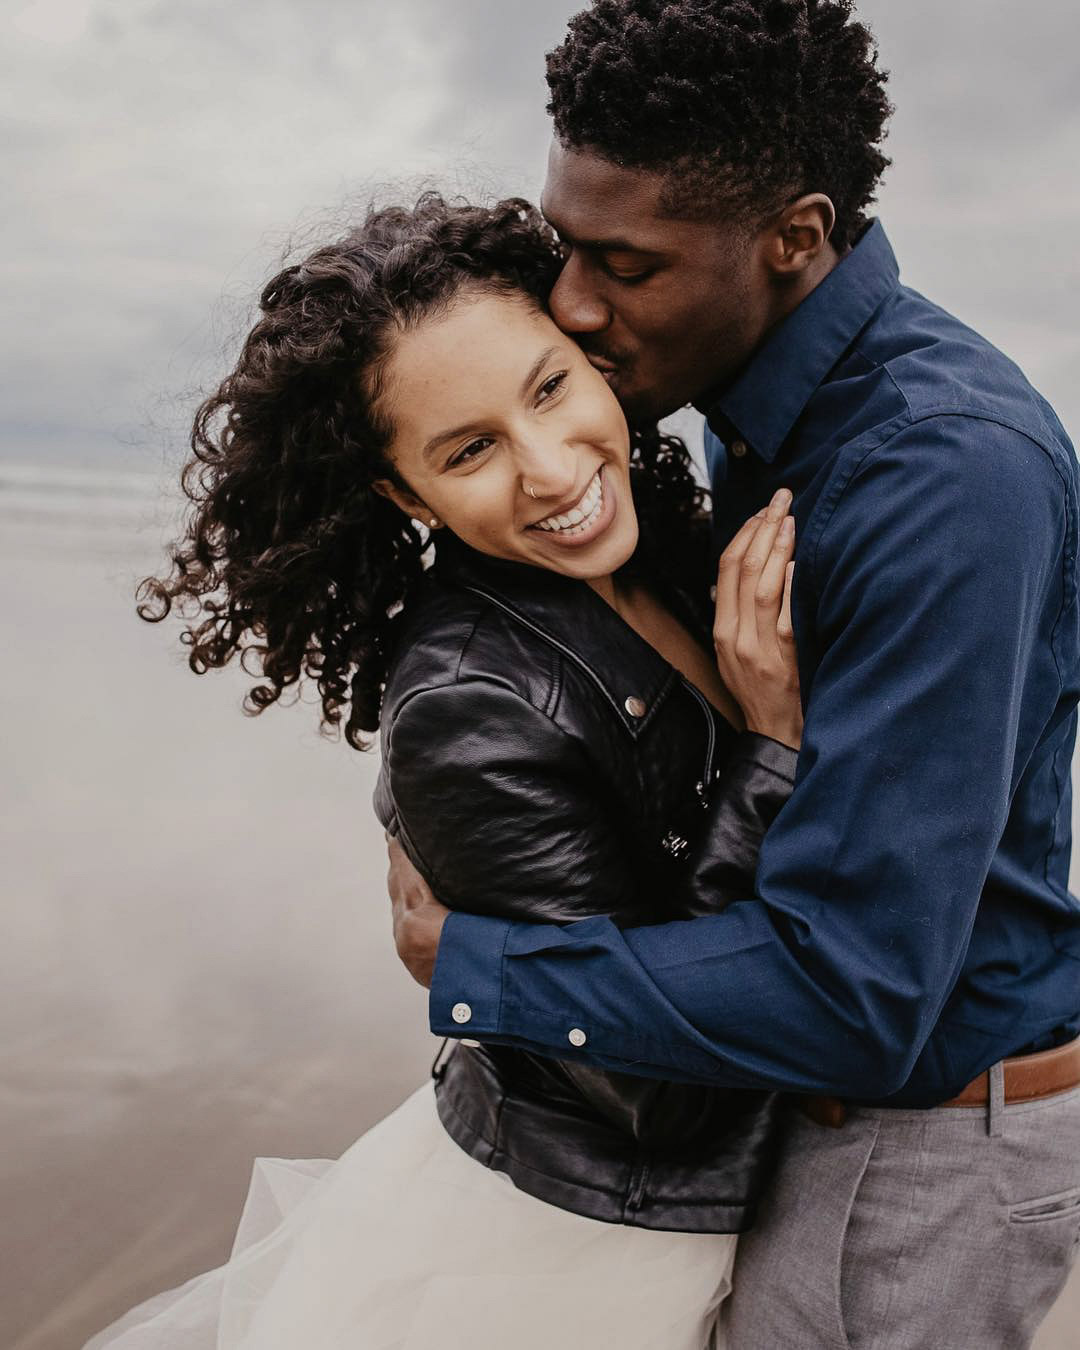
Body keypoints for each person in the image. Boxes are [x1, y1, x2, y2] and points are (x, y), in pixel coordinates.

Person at [387, 2, 1080, 1346]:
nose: (577, 304)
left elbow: (856, 991)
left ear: (794, 238)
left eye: (626, 264)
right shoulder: (765, 413)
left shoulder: (941, 477)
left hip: (922, 1151)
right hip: (855, 1117)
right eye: (566, 248)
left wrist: (478, 964)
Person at [86, 196, 804, 1350]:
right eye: (468, 450)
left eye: (551, 389)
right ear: (408, 497)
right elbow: (659, 1093)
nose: (549, 469)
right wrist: (772, 753)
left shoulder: (666, 549)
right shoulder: (468, 703)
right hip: (570, 1266)